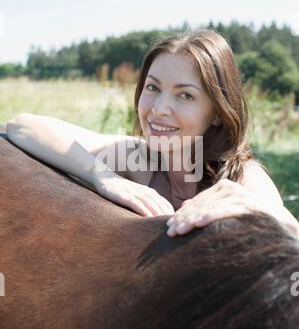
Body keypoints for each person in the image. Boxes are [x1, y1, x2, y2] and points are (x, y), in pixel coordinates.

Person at [6, 29, 299, 238]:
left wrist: (256, 208)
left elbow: (292, 237)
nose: (159, 109)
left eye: (185, 95)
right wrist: (104, 177)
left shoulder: (241, 177)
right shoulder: (139, 159)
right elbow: (24, 126)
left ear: (218, 115)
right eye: (153, 88)